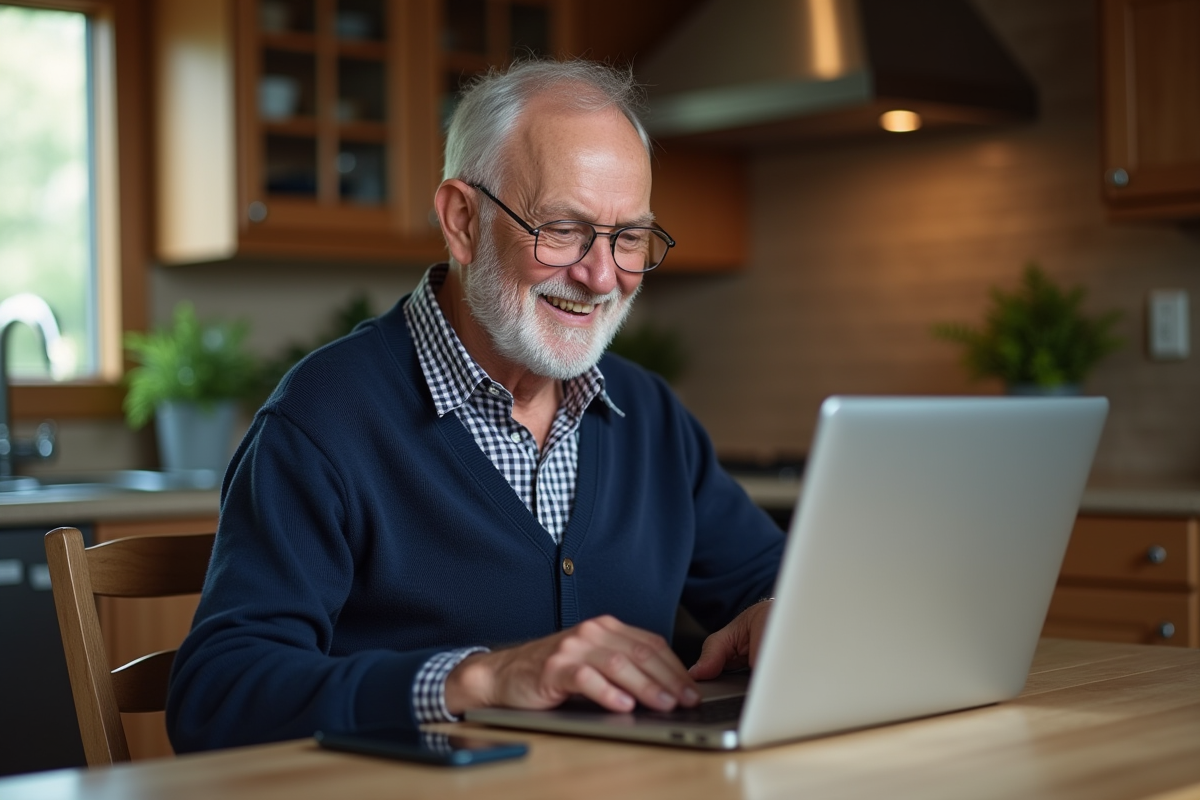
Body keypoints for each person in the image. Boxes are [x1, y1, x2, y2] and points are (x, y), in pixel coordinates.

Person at [166, 59, 785, 752]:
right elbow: (216, 697)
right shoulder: (323, 419)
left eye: (629, 237)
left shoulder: (648, 413)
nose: (602, 275)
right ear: (463, 220)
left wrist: (783, 612)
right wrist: (479, 679)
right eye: (562, 228)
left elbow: (775, 582)